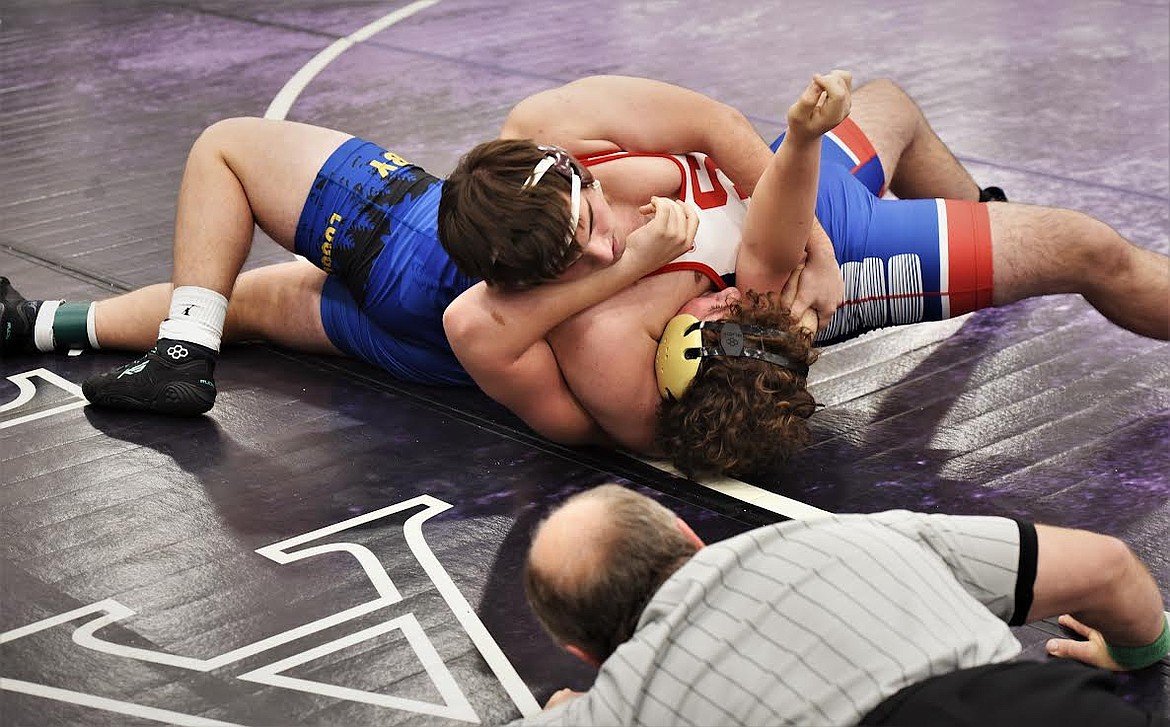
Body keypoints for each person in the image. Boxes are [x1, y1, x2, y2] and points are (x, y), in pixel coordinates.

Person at [436, 72, 1170, 475]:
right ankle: (987, 256)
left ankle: (981, 231)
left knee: (890, 104)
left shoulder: (556, 123)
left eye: (591, 228)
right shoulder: (601, 340)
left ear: (572, 172)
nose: (599, 255)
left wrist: (803, 170)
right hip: (824, 266)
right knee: (1088, 249)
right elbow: (685, 416)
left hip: (788, 195)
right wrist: (802, 314)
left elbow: (718, 126)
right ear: (526, 284)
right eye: (571, 264)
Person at [0, 117, 694, 411]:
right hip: (438, 346)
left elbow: (710, 126)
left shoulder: (622, 202)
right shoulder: (669, 231)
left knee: (225, 146)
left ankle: (181, 354)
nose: (609, 248)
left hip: (412, 245)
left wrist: (624, 263)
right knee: (241, 304)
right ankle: (34, 324)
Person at [512, 483, 1170, 726]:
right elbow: (1109, 566)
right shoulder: (849, 533)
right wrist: (1140, 650)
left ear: (584, 652)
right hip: (1036, 708)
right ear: (690, 537)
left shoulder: (627, 701)